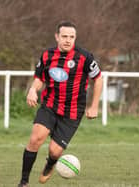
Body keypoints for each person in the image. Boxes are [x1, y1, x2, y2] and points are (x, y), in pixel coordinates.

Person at [18, 21, 103, 187]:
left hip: (72, 111)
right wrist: (32, 90)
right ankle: (23, 182)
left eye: (71, 37)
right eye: (64, 36)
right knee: (36, 139)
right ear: (57, 37)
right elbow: (39, 78)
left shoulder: (85, 57)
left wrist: (94, 106)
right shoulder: (47, 55)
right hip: (50, 105)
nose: (68, 40)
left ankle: (50, 164)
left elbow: (98, 79)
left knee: (54, 151)